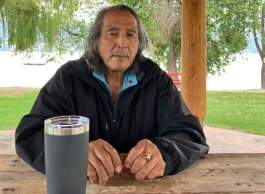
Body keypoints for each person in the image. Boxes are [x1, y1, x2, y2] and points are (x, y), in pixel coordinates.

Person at [15, 5, 209, 185]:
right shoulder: (69, 78)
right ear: (95, 41)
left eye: (130, 34)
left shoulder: (156, 80)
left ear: (138, 44)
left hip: (143, 187)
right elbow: (30, 135)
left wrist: (164, 156)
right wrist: (74, 155)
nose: (121, 42)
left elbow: (190, 136)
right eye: (112, 33)